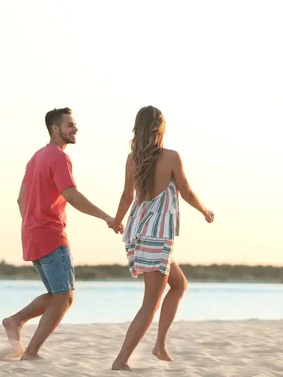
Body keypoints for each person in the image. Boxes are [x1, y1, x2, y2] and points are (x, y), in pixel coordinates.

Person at [2, 107, 119, 361]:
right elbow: (71, 195)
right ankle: (30, 350)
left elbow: (21, 200)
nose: (75, 129)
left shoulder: (35, 158)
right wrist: (106, 217)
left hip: (32, 235)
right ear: (55, 129)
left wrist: (32, 224)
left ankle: (15, 321)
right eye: (69, 125)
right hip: (51, 236)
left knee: (58, 295)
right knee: (64, 297)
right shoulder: (58, 157)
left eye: (74, 124)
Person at [109, 106, 214, 371]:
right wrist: (204, 210)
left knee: (179, 284)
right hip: (157, 235)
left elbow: (126, 196)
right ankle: (121, 361)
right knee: (150, 303)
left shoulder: (132, 159)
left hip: (141, 231)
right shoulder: (170, 157)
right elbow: (186, 191)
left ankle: (160, 344)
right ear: (160, 127)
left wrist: (118, 220)